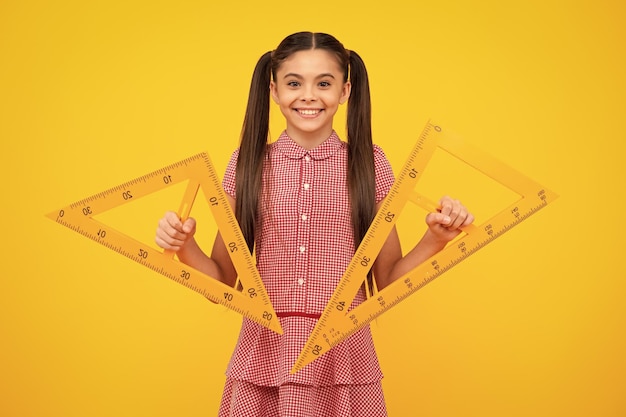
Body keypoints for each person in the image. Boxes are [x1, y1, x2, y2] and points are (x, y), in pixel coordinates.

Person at [155, 31, 473, 417]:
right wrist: (183, 245)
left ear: (344, 91)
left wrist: (435, 240)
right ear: (273, 91)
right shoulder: (247, 164)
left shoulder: (371, 165)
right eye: (294, 83)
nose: (308, 95)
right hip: (264, 353)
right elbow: (223, 281)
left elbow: (388, 280)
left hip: (345, 354)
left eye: (324, 83)